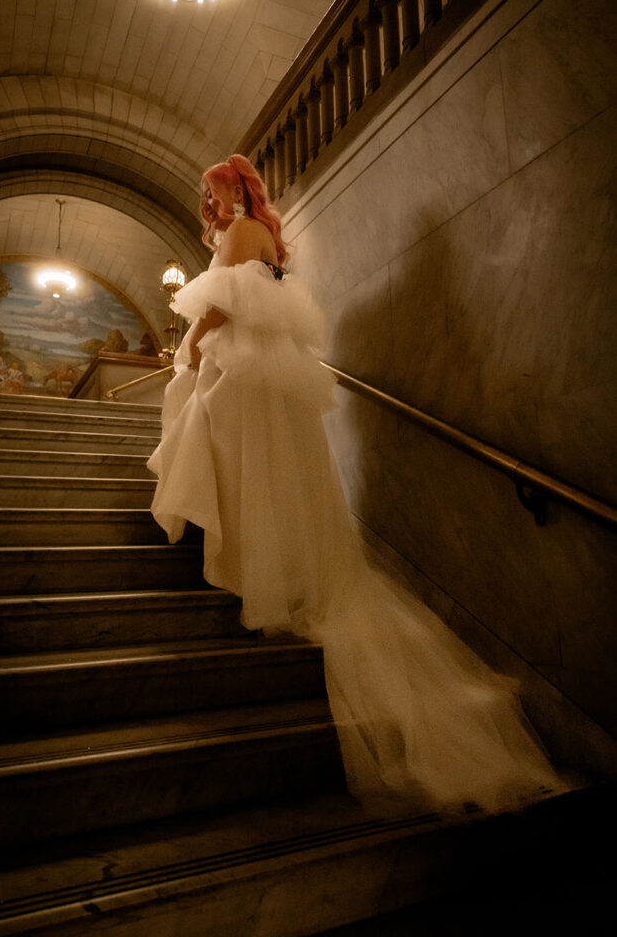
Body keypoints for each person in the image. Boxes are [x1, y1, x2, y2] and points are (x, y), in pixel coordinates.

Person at [148, 154, 565, 814]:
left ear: (236, 184)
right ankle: (264, 561)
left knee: (220, 442)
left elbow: (223, 307)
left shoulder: (239, 233)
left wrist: (189, 345)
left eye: (213, 188)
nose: (208, 199)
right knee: (270, 474)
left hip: (248, 374)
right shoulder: (265, 235)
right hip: (273, 375)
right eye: (205, 192)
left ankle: (237, 556)